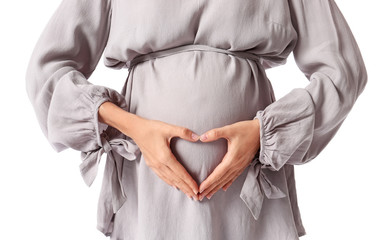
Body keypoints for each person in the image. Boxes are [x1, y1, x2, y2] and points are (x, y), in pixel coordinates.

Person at [25, 0, 367, 239]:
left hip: (248, 197)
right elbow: (48, 72)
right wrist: (134, 128)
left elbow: (344, 71)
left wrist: (261, 136)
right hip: (149, 187)